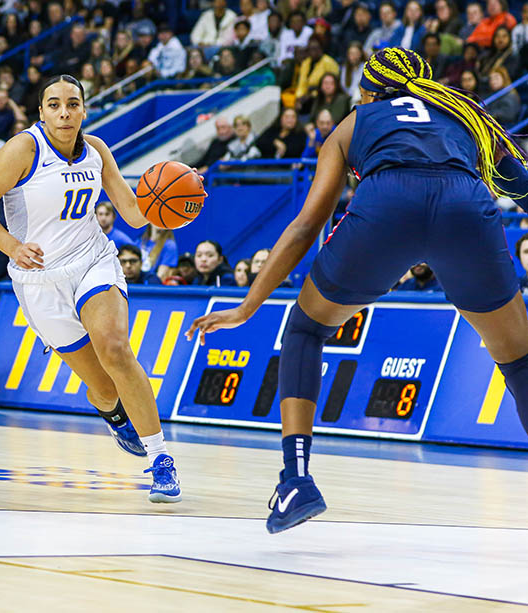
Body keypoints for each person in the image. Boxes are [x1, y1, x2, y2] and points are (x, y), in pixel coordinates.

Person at [187, 47, 528, 534]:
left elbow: (307, 225)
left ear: (367, 90)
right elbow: (523, 186)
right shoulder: (467, 110)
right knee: (519, 360)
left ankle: (297, 480)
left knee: (305, 329)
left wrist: (247, 305)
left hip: (388, 205)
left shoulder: (352, 122)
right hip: (465, 206)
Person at [0, 74, 185, 503]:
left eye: (72, 104)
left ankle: (160, 459)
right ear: (42, 111)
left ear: (84, 109)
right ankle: (113, 414)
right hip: (39, 279)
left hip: (92, 262)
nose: (64, 112)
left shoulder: (98, 150)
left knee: (116, 349)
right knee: (102, 386)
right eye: (54, 104)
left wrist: (180, 194)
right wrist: (11, 246)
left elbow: (135, 215)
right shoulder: (23, 149)